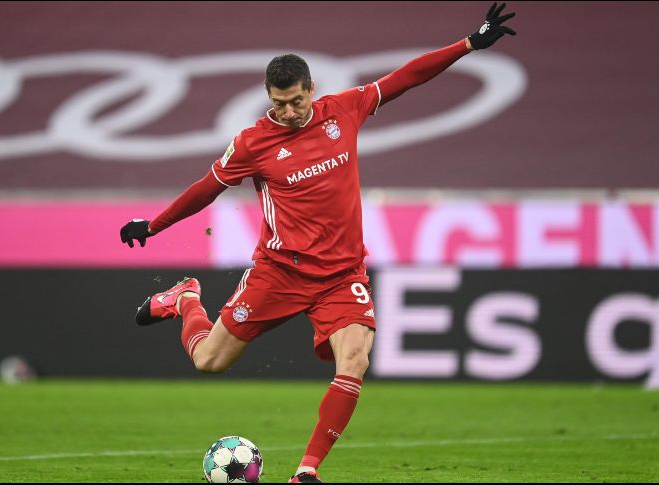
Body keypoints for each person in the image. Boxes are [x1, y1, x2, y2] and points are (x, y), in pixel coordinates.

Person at [120, 3, 516, 482]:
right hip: (280, 271)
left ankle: (306, 472)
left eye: (296, 102)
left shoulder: (345, 109)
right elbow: (208, 186)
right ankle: (185, 300)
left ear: (312, 90)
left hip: (342, 274)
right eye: (277, 103)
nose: (287, 112)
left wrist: (469, 43)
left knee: (355, 360)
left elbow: (407, 77)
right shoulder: (252, 143)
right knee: (209, 361)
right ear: (268, 97)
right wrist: (155, 224)